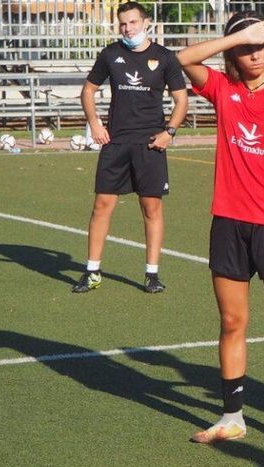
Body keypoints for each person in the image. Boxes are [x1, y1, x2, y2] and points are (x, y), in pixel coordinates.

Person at [175, 14, 264, 451]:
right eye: (246, 46)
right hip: (229, 223)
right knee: (232, 322)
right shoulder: (223, 89)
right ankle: (232, 418)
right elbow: (181, 58)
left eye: (262, 44)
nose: (255, 52)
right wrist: (236, 37)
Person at [73, 1, 188, 294]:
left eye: (133, 23)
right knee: (102, 206)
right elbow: (88, 91)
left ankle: (151, 274)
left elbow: (181, 100)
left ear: (145, 22)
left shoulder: (164, 58)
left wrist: (169, 132)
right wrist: (95, 124)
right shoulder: (111, 54)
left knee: (151, 208)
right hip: (116, 142)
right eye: (123, 24)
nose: (128, 29)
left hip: (150, 145)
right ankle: (92, 271)